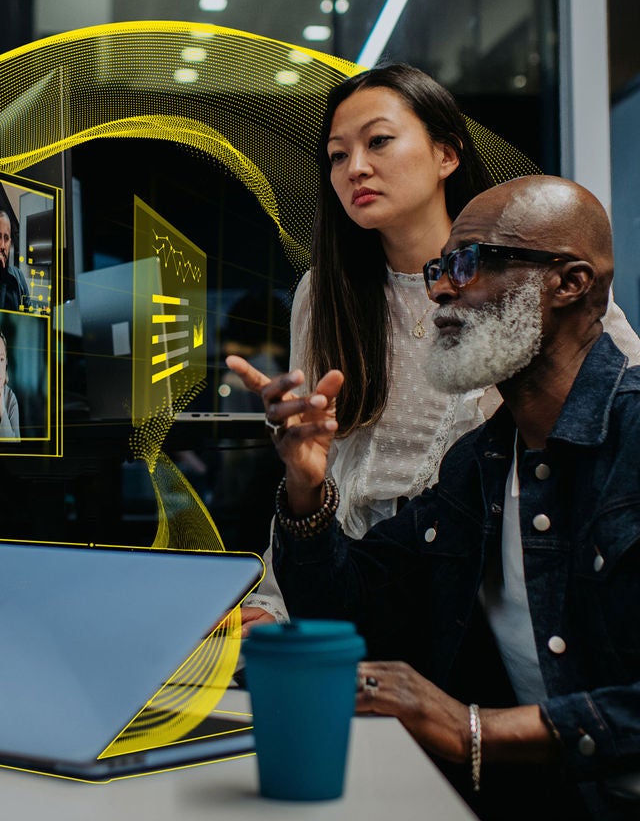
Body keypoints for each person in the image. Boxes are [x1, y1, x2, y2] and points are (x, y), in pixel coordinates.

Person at [237, 176, 639, 821]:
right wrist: (308, 479)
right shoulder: (480, 464)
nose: (443, 294)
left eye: (474, 263)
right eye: (438, 271)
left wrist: (476, 727)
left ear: (570, 282)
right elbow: (354, 610)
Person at [229, 64, 638, 626]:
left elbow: (621, 397)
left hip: (492, 568)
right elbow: (319, 463)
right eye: (337, 155)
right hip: (359, 570)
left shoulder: (522, 279)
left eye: (378, 141)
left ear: (447, 155)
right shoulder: (325, 292)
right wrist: (278, 599)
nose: (356, 168)